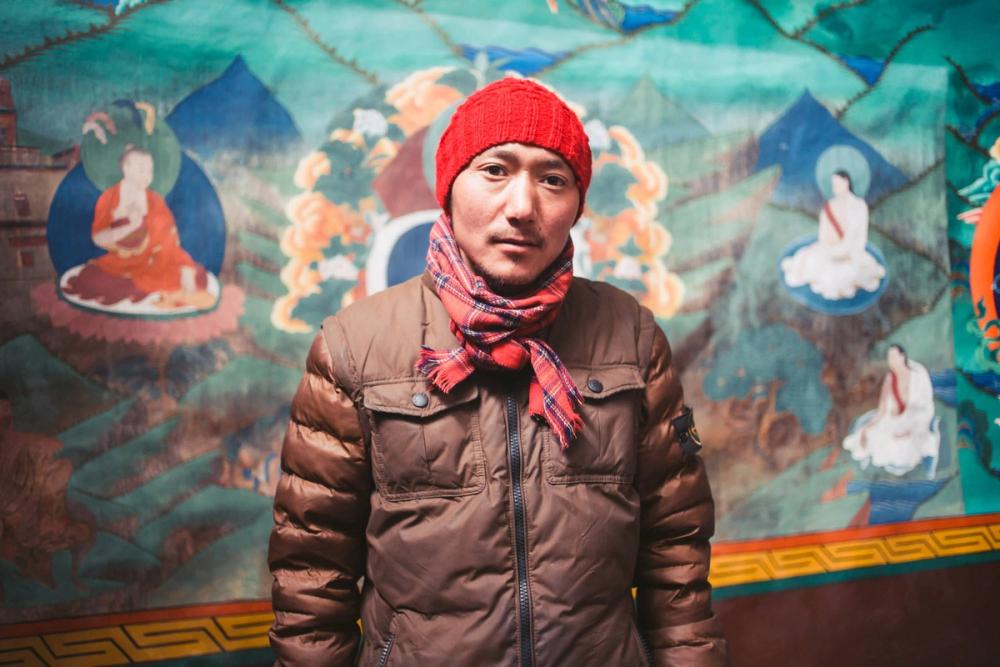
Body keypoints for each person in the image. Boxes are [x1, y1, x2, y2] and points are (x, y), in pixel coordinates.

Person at [268, 78, 727, 666]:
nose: (522, 207)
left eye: (553, 180)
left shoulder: (630, 335)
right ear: (449, 189)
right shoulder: (355, 346)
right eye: (494, 170)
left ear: (577, 205)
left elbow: (675, 549)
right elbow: (312, 568)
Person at [63, 145, 214, 310]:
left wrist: (186, 277)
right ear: (126, 168)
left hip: (155, 262)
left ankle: (150, 290)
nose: (147, 176)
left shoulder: (155, 201)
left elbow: (169, 241)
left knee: (198, 274)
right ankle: (145, 290)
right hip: (120, 263)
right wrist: (130, 227)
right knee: (90, 280)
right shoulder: (110, 198)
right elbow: (98, 238)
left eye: (150, 171)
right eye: (142, 170)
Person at [781, 170, 885, 300]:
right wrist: (827, 246)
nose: (835, 187)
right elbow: (823, 235)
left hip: (851, 250)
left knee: (847, 273)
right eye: (833, 184)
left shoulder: (858, 205)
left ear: (846, 182)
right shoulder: (830, 205)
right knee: (807, 259)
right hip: (829, 249)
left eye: (838, 183)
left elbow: (860, 235)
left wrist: (849, 252)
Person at [843, 344, 940, 477]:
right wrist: (867, 428)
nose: (892, 361)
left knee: (907, 444)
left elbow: (924, 405)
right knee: (871, 437)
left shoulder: (917, 377)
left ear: (902, 356)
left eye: (894, 357)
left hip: (915, 420)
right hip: (893, 421)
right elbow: (882, 409)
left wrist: (911, 428)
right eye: (889, 358)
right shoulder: (890, 379)